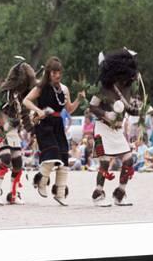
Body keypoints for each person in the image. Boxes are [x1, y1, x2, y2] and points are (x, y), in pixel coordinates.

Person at [23, 56, 85, 206]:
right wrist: (38, 110)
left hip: (58, 125)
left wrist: (79, 100)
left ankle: (60, 193)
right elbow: (26, 101)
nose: (57, 75)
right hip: (44, 124)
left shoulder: (64, 89)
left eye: (59, 72)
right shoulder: (41, 87)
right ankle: (41, 182)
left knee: (63, 159)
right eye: (54, 72)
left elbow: (69, 109)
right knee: (53, 154)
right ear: (48, 73)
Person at [88, 48, 142, 206]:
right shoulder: (103, 87)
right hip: (102, 127)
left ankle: (119, 194)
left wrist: (138, 110)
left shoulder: (127, 88)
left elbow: (128, 109)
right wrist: (105, 114)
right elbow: (92, 107)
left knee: (128, 160)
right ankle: (98, 194)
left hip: (117, 130)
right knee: (104, 162)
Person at [0, 59, 37, 205]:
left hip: (13, 130)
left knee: (17, 161)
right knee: (6, 157)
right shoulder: (4, 92)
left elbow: (24, 116)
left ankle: (14, 194)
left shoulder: (22, 96)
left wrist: (32, 130)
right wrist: (5, 123)